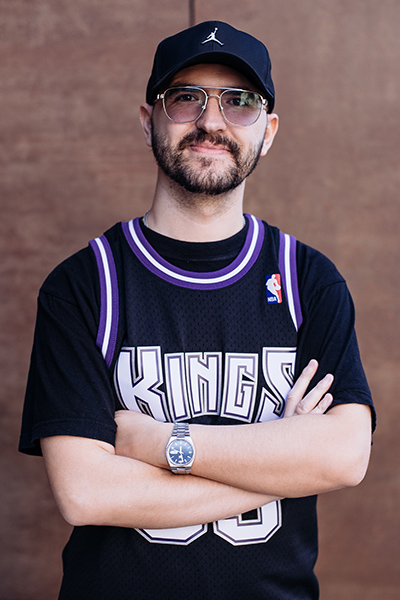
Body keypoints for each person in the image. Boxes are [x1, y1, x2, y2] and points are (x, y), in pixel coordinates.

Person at [19, 20, 375, 600]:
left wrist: (161, 443)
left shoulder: (309, 281)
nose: (212, 121)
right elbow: (86, 495)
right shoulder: (84, 285)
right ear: (148, 120)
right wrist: (285, 462)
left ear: (268, 131)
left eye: (240, 102)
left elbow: (345, 457)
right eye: (186, 98)